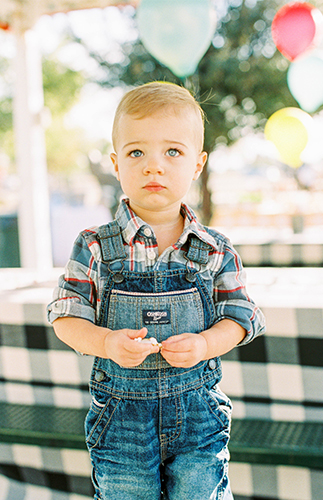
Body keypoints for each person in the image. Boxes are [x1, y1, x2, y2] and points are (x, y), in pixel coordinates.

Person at [47, 82, 265, 500]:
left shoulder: (215, 249)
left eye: (172, 152)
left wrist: (205, 344)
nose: (154, 167)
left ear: (197, 164)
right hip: (122, 423)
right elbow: (66, 317)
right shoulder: (95, 245)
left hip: (197, 418)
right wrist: (107, 342)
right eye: (136, 153)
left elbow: (241, 317)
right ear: (115, 163)